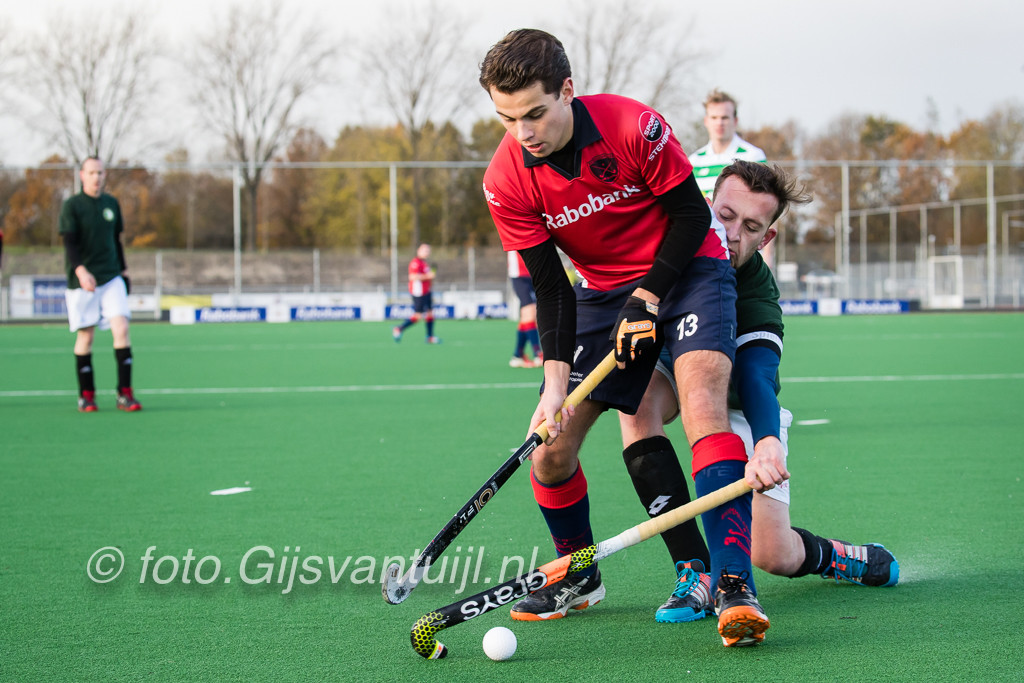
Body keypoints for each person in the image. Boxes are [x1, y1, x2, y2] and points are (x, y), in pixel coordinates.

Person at [478, 29, 776, 643]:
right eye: (507, 119)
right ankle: (579, 573)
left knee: (701, 405)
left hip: (690, 269)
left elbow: (690, 215)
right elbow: (550, 288)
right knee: (551, 448)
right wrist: (553, 387)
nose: (523, 132)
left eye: (535, 113)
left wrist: (648, 297)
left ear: (567, 90)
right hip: (601, 292)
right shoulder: (505, 179)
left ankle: (733, 584)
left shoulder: (633, 126)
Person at [618, 161, 899, 646]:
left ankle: (838, 557)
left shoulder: (757, 292)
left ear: (766, 238)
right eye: (725, 216)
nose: (732, 235)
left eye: (750, 227)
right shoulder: (666, 246)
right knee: (636, 405)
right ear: (705, 207)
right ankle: (695, 571)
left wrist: (768, 440)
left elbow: (755, 376)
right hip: (673, 376)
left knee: (773, 555)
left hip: (738, 408)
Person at [60, 156, 142, 413]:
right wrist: (81, 271)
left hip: (111, 275)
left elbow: (116, 241)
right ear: (82, 175)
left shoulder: (111, 204)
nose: (97, 177)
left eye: (100, 173)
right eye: (92, 173)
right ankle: (86, 395)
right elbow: (69, 243)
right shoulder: (72, 206)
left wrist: (124, 271)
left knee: (122, 328)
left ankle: (124, 393)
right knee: (86, 335)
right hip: (84, 281)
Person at [691, 89, 774, 269]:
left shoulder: (753, 156)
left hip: (742, 253)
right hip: (706, 250)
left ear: (735, 121)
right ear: (706, 121)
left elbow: (767, 208)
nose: (719, 123)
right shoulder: (694, 161)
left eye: (725, 117)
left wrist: (768, 254)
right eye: (714, 117)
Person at [392, 243, 441, 344]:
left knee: (430, 313)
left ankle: (430, 337)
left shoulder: (424, 263)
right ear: (418, 251)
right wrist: (428, 276)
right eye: (425, 250)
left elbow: (429, 277)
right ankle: (399, 329)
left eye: (428, 251)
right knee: (418, 316)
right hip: (419, 292)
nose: (427, 252)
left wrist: (430, 279)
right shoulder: (415, 262)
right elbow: (412, 277)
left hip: (427, 291)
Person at [507, 250, 543, 367]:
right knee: (530, 312)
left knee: (527, 316)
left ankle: (517, 355)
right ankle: (537, 354)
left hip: (533, 273)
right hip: (519, 275)